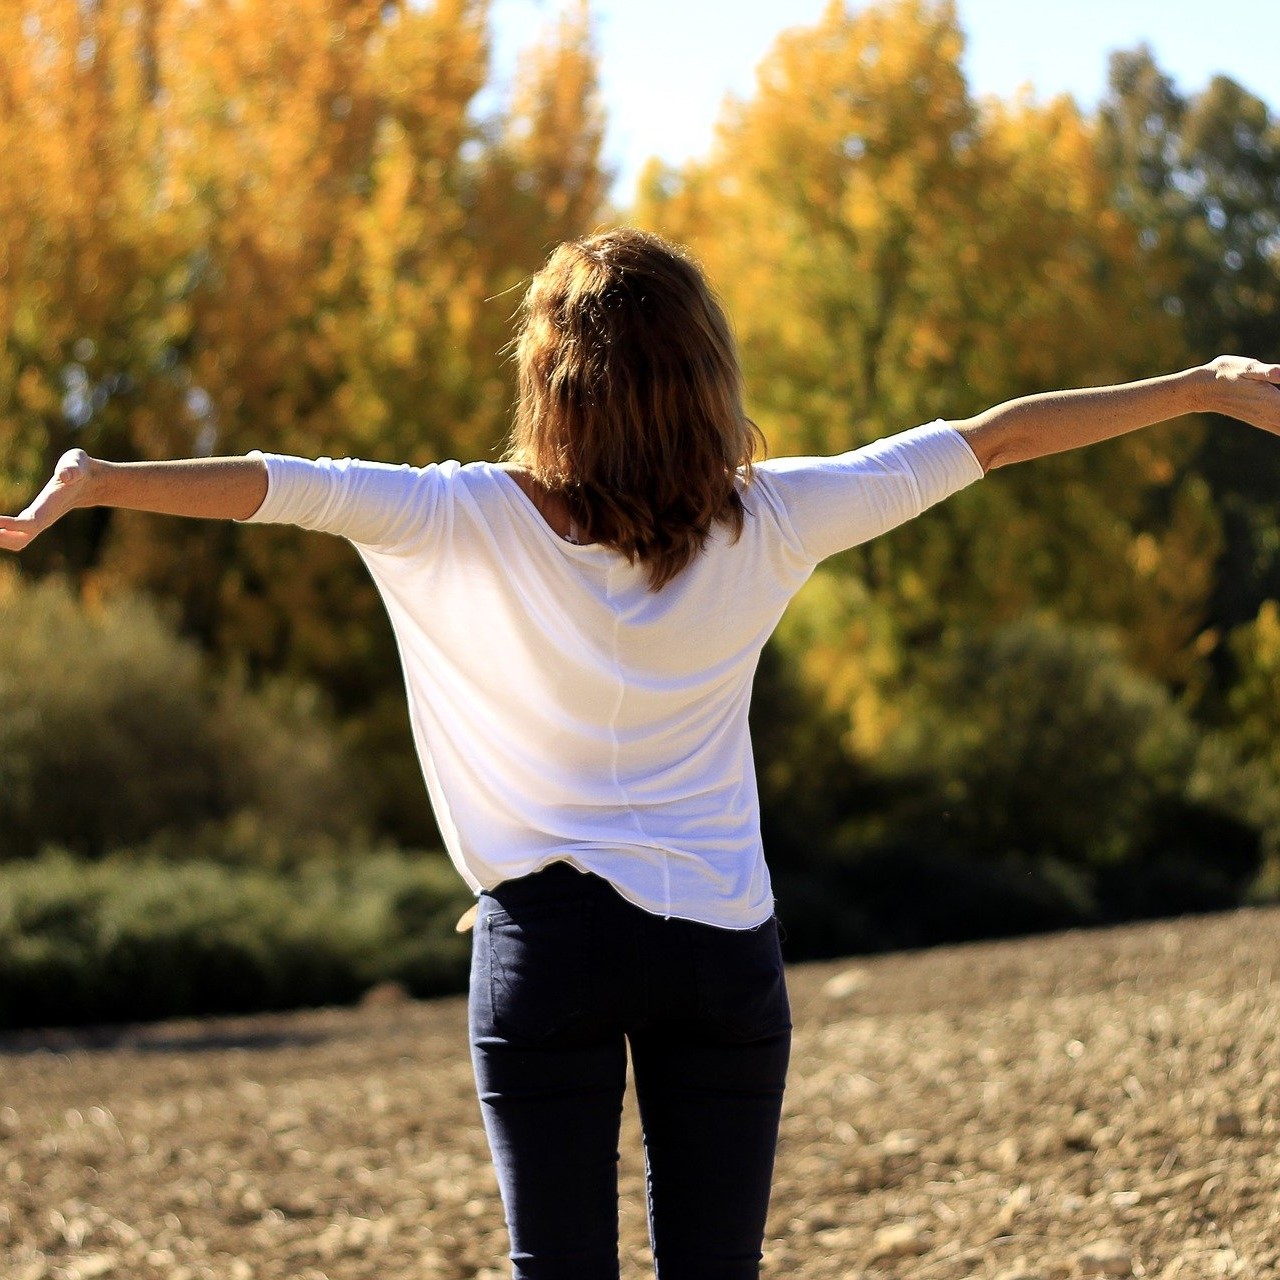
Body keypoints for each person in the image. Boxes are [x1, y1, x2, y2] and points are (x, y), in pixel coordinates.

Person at [2, 227, 1278, 1280]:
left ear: (549, 380)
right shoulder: (774, 518)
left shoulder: (456, 515)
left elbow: (273, 483)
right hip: (724, 946)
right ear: (705, 373)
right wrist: (1205, 385)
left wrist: (98, 478)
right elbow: (995, 437)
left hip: (546, 948)